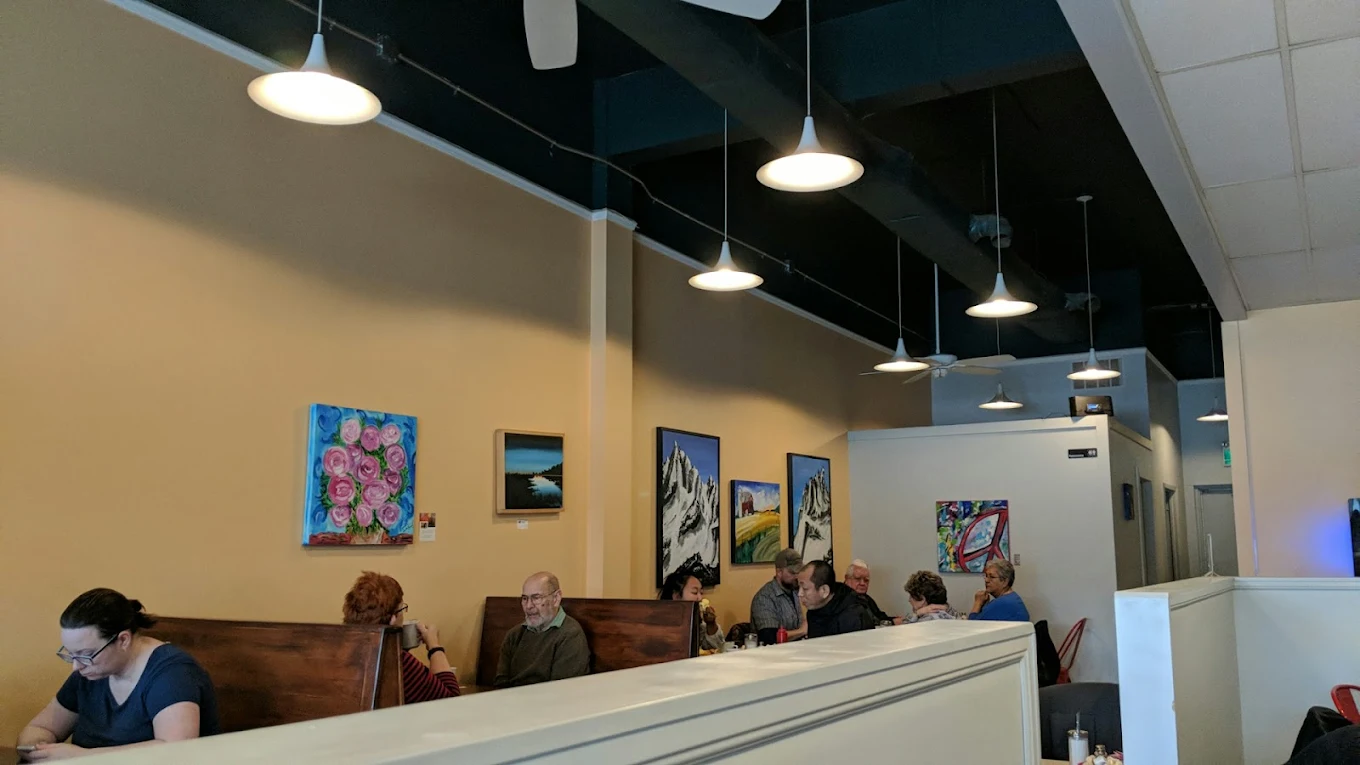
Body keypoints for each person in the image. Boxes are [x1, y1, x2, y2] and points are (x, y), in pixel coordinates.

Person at [17, 588, 219, 761]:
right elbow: (42, 728)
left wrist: (80, 758)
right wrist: (37, 749)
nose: (76, 667)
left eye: (86, 654)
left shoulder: (173, 674)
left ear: (123, 640)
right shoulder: (90, 671)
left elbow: (175, 752)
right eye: (71, 654)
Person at [341, 571, 459, 703]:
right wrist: (434, 647)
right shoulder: (394, 661)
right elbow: (449, 701)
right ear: (393, 619)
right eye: (402, 609)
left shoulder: (338, 649)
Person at [494, 571, 590, 688]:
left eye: (536, 598)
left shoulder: (570, 635)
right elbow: (500, 684)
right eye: (525, 599)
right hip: (512, 702)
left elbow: (562, 692)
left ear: (556, 598)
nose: (529, 606)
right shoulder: (514, 635)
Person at [798, 560, 876, 639]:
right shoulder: (814, 609)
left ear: (824, 591)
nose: (799, 594)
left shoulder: (852, 614)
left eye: (805, 588)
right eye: (798, 588)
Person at [750, 549, 806, 645]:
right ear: (779, 572)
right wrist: (802, 631)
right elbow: (769, 638)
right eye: (793, 573)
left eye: (799, 572)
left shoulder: (794, 590)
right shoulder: (764, 598)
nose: (797, 577)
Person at [659, 570, 723, 652]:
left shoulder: (697, 623)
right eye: (694, 592)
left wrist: (711, 625)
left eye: (701, 593)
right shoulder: (661, 625)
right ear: (676, 596)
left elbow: (715, 648)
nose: (700, 598)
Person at [844, 559, 900, 625]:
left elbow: (879, 616)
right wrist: (892, 622)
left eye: (866, 580)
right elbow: (864, 624)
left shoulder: (866, 598)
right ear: (847, 579)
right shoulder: (843, 600)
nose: (862, 583)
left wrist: (894, 619)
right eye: (858, 579)